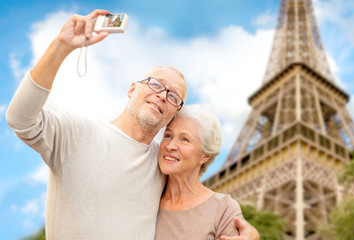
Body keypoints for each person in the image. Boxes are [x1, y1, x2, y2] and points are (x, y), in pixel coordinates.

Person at [6, 9, 259, 240]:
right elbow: (19, 118)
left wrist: (252, 234)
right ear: (131, 89)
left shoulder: (162, 165)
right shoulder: (76, 132)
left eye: (173, 96)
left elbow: (195, 206)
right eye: (156, 84)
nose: (162, 94)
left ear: (173, 115)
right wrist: (61, 46)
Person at [156, 105, 257, 240]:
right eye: (168, 135)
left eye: (185, 139)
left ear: (205, 156)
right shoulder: (148, 194)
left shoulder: (223, 209)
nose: (170, 146)